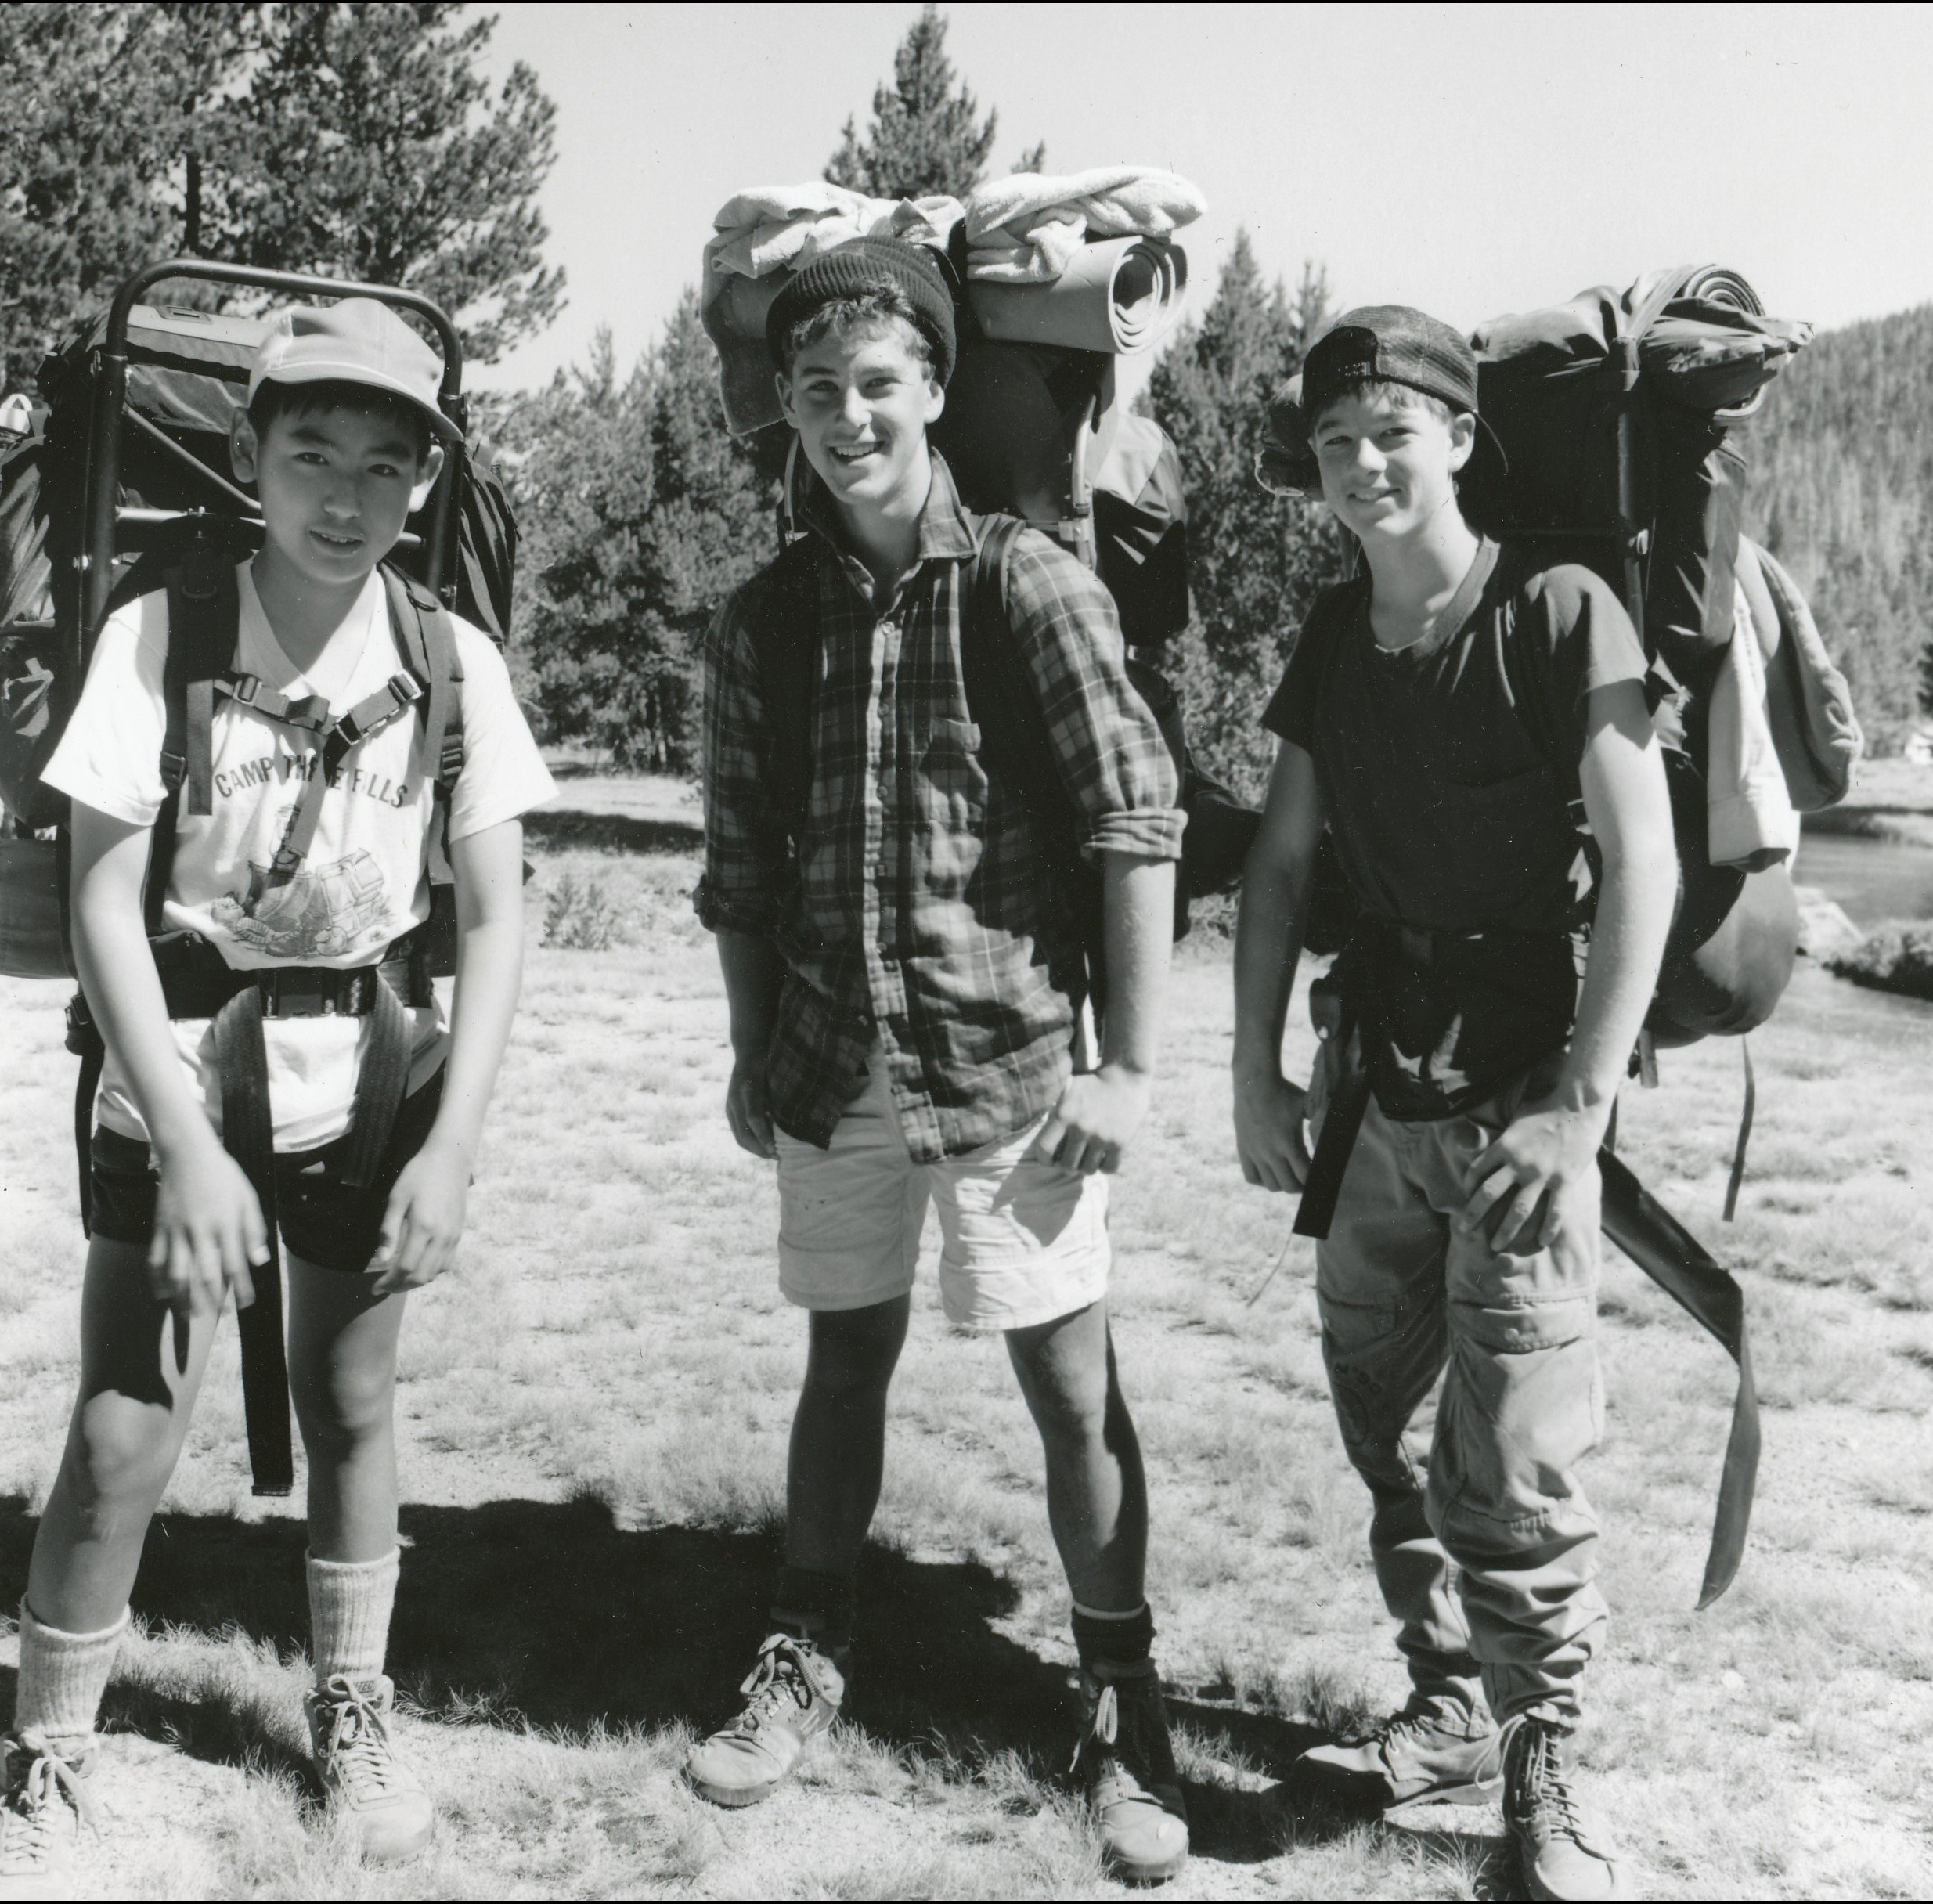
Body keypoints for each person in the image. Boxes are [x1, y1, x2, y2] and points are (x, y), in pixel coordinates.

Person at [0, 300, 554, 1899]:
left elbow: (496, 917)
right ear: (249, 456)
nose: (345, 496)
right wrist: (186, 1141)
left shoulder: (451, 659)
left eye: (383, 462)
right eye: (312, 454)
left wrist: (458, 1142)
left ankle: (352, 1708)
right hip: (181, 1058)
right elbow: (101, 906)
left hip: (369, 1067)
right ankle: (49, 1762)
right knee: (123, 1421)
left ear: (425, 482)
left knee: (356, 1403)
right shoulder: (163, 629)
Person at [687, 236, 1191, 1884]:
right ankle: (803, 1652)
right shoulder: (762, 618)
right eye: (820, 391)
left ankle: (1120, 1702)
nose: (851, 418)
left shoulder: (1024, 581)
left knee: (1067, 1388)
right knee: (844, 1364)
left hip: (1011, 1062)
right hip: (835, 1059)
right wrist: (753, 1040)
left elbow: (1134, 817)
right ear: (786, 406)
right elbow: (741, 864)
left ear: (934, 394)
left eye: (881, 387)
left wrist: (1128, 1066)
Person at [1230, 308, 1676, 1903]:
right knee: (1381, 1407)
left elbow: (1645, 860)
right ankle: (1444, 1688)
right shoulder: (1337, 636)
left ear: (1459, 438)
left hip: (1517, 1102)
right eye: (1337, 444)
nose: (1361, 467)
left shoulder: (1562, 612)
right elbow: (1279, 862)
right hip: (1371, 1093)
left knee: (1523, 1445)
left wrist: (1579, 1107)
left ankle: (1544, 1761)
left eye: (1391, 433)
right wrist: (1256, 1067)